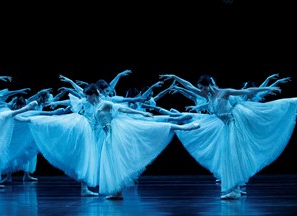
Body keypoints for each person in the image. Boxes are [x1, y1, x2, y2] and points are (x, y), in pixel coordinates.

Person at [17, 83, 200, 200]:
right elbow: (82, 105)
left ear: (95, 94)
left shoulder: (104, 103)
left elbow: (122, 108)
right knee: (109, 164)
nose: (87, 99)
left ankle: (185, 127)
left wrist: (141, 112)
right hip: (103, 137)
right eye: (86, 96)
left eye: (89, 96)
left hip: (113, 134)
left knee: (150, 128)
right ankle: (116, 191)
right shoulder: (91, 105)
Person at [160, 73, 297, 200]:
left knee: (271, 109)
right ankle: (235, 190)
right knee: (230, 157)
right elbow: (189, 86)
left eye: (203, 87)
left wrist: (266, 89)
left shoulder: (223, 92)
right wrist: (174, 77)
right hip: (226, 127)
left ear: (210, 84)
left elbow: (246, 91)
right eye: (200, 89)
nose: (201, 91)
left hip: (236, 123)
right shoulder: (208, 96)